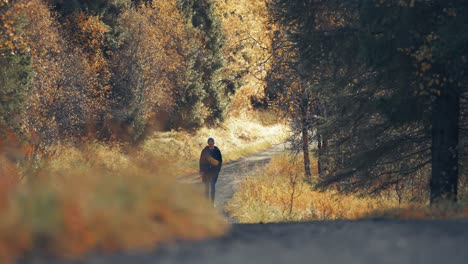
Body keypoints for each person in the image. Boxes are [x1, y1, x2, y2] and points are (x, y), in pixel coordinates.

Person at [199, 137, 222, 205]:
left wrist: (218, 170)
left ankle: (212, 203)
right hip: (206, 172)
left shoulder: (217, 151)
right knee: (206, 188)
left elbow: (220, 161)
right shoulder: (204, 151)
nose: (211, 144)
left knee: (212, 186)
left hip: (214, 172)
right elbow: (201, 161)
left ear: (214, 143)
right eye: (209, 143)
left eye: (212, 143)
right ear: (208, 143)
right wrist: (202, 171)